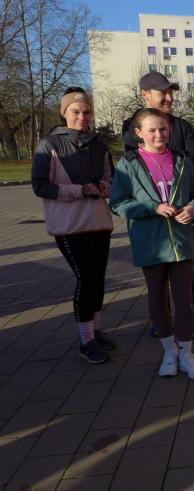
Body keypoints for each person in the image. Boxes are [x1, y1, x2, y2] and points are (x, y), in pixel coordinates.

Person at [110, 108, 194, 380]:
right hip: (150, 243)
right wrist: (152, 208)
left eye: (163, 128)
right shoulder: (128, 164)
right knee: (157, 298)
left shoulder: (182, 160)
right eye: (151, 130)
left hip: (180, 242)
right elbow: (117, 203)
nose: (158, 134)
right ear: (138, 133)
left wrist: (192, 209)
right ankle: (169, 351)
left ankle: (187, 354)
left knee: (184, 299)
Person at [31, 87, 116, 364]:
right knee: (87, 278)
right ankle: (85, 341)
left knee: (98, 279)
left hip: (99, 223)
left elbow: (110, 179)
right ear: (64, 113)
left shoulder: (99, 145)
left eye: (87, 112)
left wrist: (103, 187)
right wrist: (79, 190)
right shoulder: (49, 145)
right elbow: (40, 186)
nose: (82, 117)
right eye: (76, 112)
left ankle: (95, 331)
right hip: (69, 226)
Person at [122, 71, 194, 337]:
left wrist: (177, 162)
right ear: (145, 95)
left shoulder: (182, 125)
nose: (169, 97)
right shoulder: (132, 126)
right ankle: (163, 322)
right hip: (151, 222)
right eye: (163, 92)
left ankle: (187, 318)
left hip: (181, 214)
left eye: (171, 92)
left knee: (184, 276)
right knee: (156, 283)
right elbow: (136, 171)